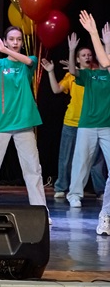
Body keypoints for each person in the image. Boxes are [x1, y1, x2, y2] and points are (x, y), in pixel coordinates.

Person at [0, 27, 49, 218]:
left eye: (18, 39)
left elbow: (29, 61)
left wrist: (4, 50)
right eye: (11, 39)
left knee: (32, 169)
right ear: (5, 40)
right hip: (1, 124)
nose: (15, 43)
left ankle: (41, 210)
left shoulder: (28, 62)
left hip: (24, 124)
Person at [42, 37, 107, 199]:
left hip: (92, 123)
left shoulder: (98, 75)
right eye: (83, 55)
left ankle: (100, 190)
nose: (87, 57)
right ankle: (63, 187)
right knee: (67, 157)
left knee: (96, 161)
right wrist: (51, 71)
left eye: (89, 55)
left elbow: (105, 65)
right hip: (72, 121)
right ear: (78, 59)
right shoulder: (74, 76)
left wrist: (106, 44)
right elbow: (57, 89)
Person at [66, 11, 110, 210]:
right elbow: (73, 71)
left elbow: (106, 62)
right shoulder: (89, 75)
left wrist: (105, 42)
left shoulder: (108, 74)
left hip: (107, 126)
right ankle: (74, 195)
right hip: (87, 125)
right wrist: (72, 50)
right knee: (81, 161)